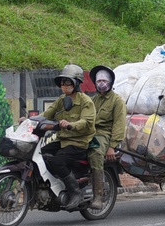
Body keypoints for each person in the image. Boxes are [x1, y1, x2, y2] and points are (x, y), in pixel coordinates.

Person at [39, 64, 96, 209]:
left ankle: (75, 192)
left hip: (79, 142)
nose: (64, 85)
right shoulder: (61, 99)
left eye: (67, 82)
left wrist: (71, 124)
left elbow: (87, 121)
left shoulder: (85, 101)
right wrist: (28, 120)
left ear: (76, 83)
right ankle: (55, 186)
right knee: (42, 153)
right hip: (63, 140)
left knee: (58, 161)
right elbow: (47, 114)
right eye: (62, 82)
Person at [86, 64, 126, 208]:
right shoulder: (93, 100)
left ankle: (98, 196)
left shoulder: (117, 101)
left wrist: (112, 147)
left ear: (110, 83)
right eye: (98, 81)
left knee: (96, 154)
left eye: (104, 81)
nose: (101, 84)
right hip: (88, 134)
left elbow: (119, 125)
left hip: (104, 135)